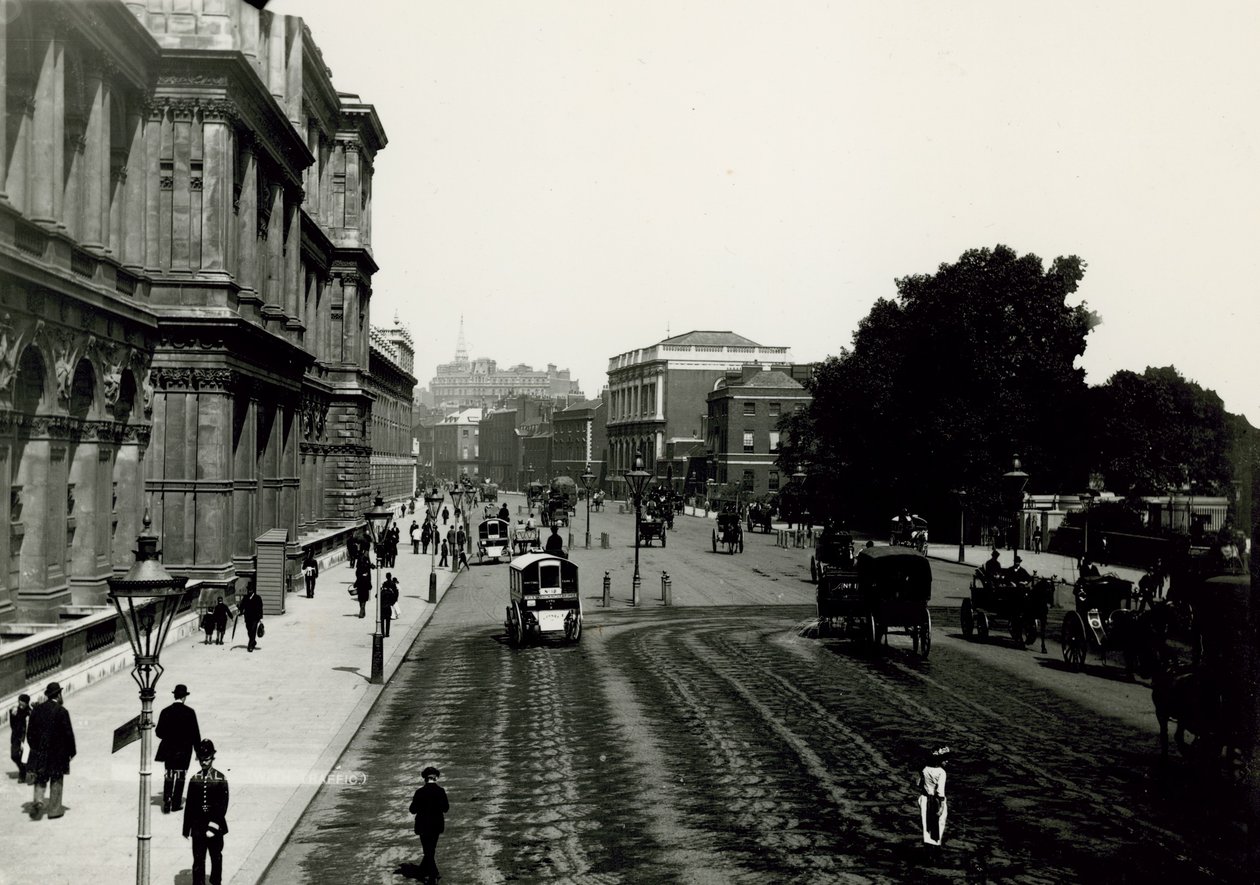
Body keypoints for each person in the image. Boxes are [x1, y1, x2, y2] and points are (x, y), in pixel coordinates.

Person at [26, 681, 75, 820]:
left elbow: (30, 734)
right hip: (58, 754)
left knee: (41, 777)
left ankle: (38, 801)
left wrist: (36, 747)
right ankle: (54, 810)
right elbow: (68, 734)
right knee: (56, 779)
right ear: (58, 695)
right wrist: (72, 752)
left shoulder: (37, 710)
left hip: (41, 752)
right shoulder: (62, 711)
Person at [184, 739, 229, 885]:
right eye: (202, 760)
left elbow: (222, 805)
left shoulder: (220, 779)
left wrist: (213, 825)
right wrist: (187, 828)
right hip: (198, 827)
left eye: (207, 759)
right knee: (198, 859)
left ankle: (216, 882)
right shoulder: (194, 779)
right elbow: (189, 805)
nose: (204, 762)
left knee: (216, 857)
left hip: (214, 827)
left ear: (212, 758)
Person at [156, 684, 201, 814]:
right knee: (181, 775)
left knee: (169, 774)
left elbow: (159, 732)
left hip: (169, 749)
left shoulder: (165, 711)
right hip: (184, 750)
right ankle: (176, 803)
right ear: (184, 697)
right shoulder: (190, 712)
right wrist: (198, 751)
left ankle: (167, 799)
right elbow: (195, 734)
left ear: (174, 695)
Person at [410, 766, 449, 885]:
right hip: (436, 825)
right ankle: (432, 872)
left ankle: (431, 874)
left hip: (422, 826)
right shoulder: (441, 791)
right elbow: (446, 808)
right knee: (430, 849)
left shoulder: (419, 792)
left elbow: (412, 810)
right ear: (436, 777)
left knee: (428, 850)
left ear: (424, 779)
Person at [918, 745, 949, 846]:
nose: (947, 761)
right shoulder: (941, 772)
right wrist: (942, 807)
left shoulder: (925, 769)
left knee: (926, 828)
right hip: (936, 802)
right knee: (938, 827)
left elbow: (918, 783)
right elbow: (940, 792)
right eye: (945, 759)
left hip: (924, 799)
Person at [9, 693, 30, 783]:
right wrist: (12, 715)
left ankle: (22, 774)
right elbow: (12, 725)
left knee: (25, 757)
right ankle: (23, 769)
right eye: (19, 702)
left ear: (26, 703)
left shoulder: (30, 712)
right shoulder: (14, 711)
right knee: (14, 755)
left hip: (26, 738)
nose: (20, 704)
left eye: (22, 703)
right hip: (16, 737)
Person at [238, 584, 264, 652]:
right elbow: (242, 606)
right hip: (247, 617)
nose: (249, 591)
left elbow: (260, 608)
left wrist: (260, 617)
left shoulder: (257, 598)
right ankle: (253, 642)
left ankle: (250, 646)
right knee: (249, 631)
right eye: (249, 590)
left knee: (253, 630)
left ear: (253, 590)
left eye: (251, 590)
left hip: (255, 618)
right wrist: (240, 611)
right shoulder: (245, 597)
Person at [354, 553, 373, 619]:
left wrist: (355, 584)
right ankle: (362, 612)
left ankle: (361, 613)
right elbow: (368, 578)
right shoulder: (367, 567)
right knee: (363, 601)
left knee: (361, 600)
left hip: (360, 587)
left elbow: (357, 577)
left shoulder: (359, 569)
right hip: (365, 586)